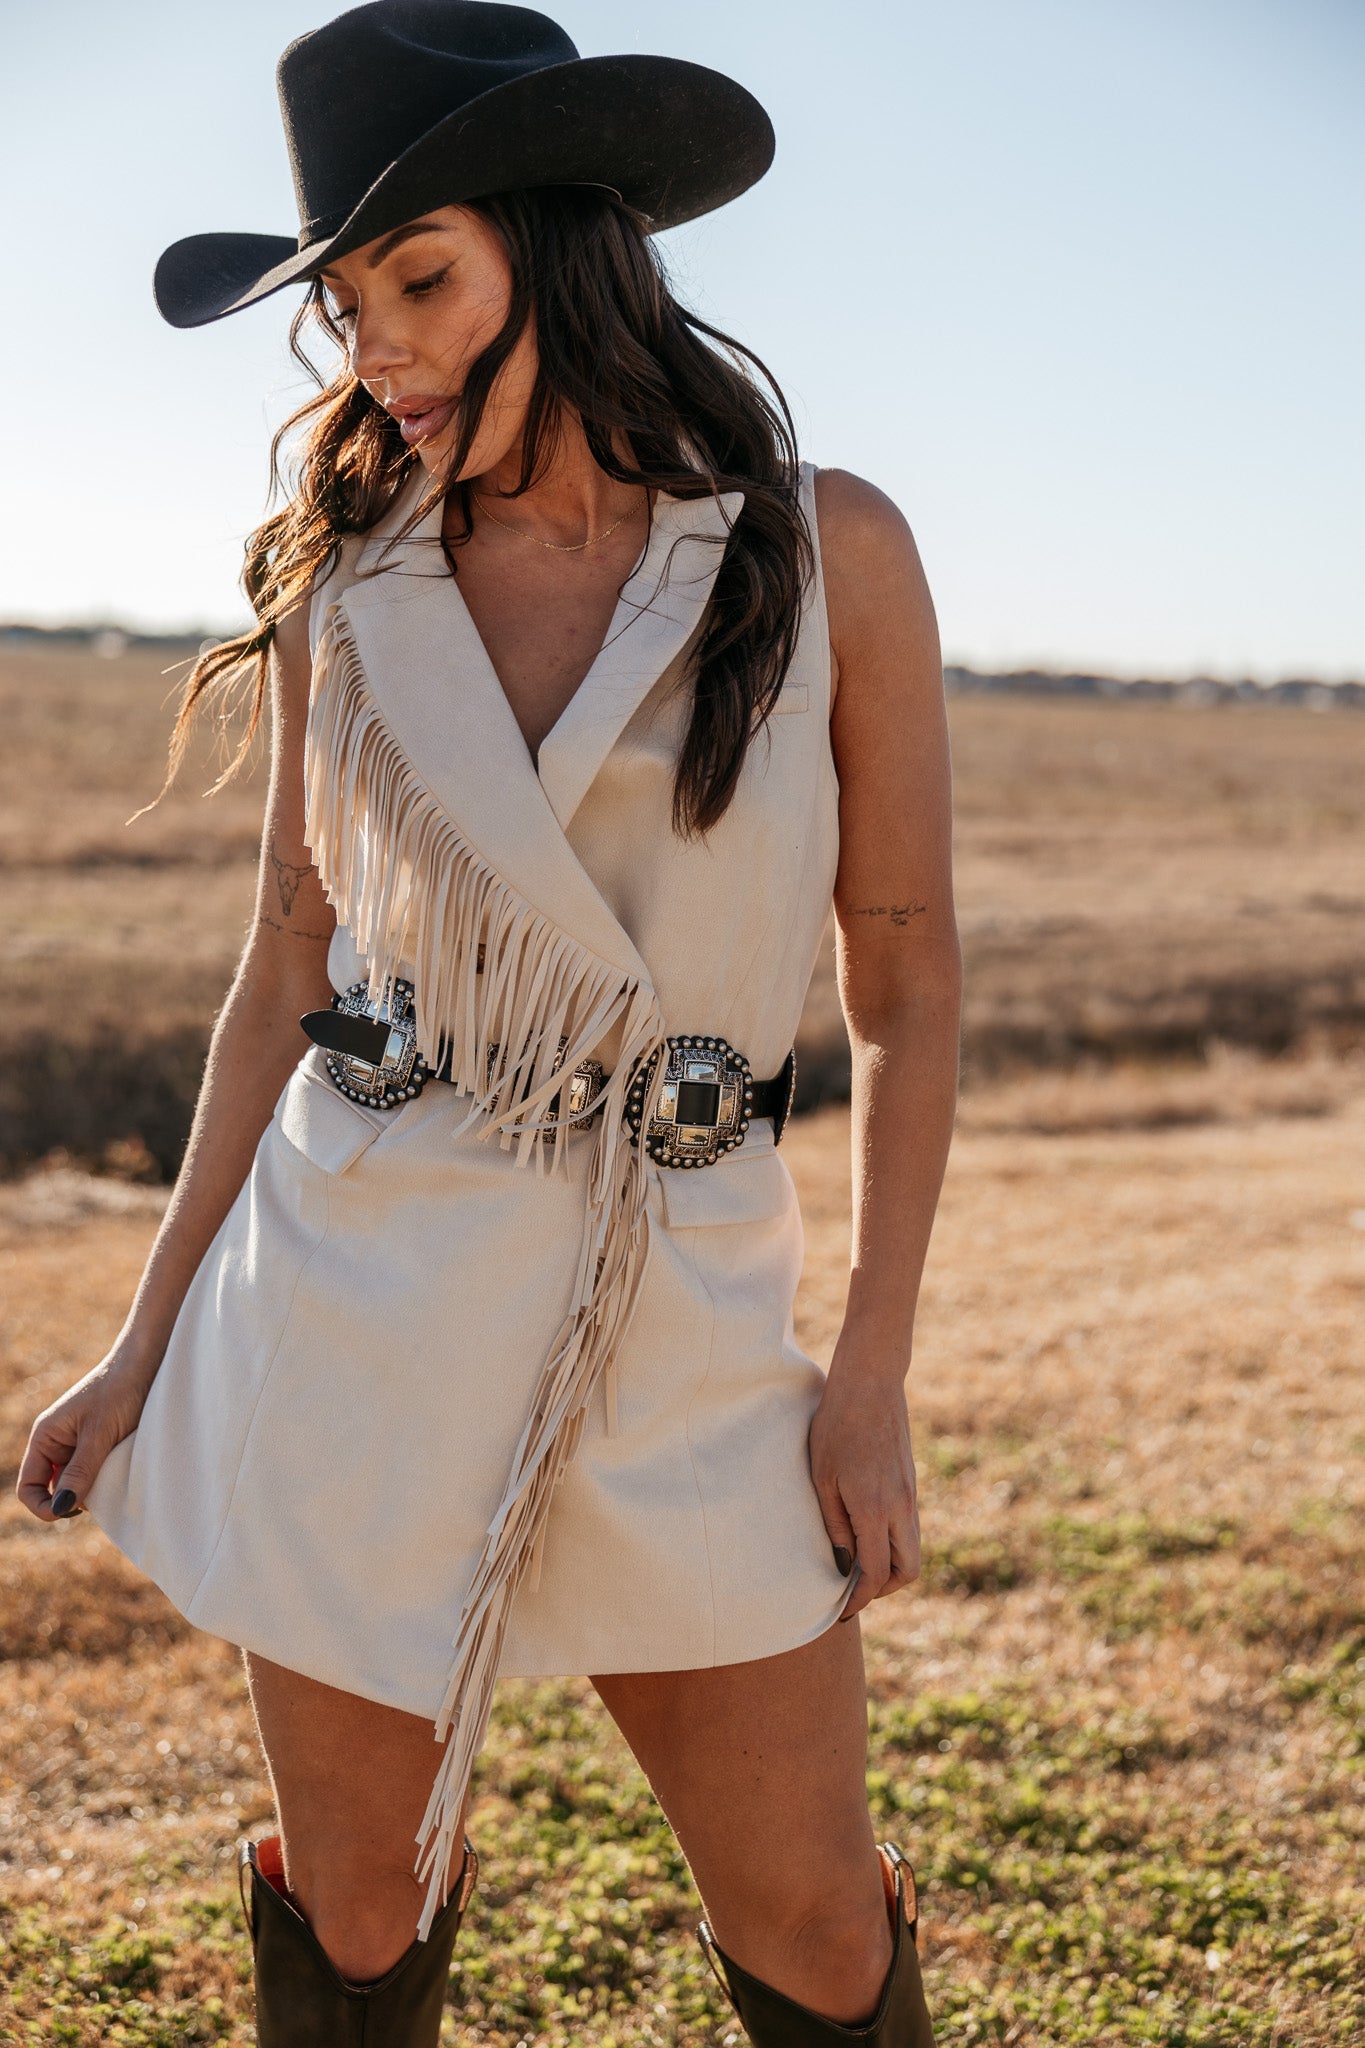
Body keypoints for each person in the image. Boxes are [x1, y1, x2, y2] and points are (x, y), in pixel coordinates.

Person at [18, 4, 961, 2042]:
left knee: (807, 1919)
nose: (380, 348)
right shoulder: (340, 577)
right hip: (356, 1279)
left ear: (568, 240)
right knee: (361, 1899)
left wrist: (869, 1371)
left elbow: (903, 973)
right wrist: (144, 1331)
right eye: (344, 306)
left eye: (421, 278)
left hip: (686, 1295)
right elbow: (283, 973)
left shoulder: (819, 550)